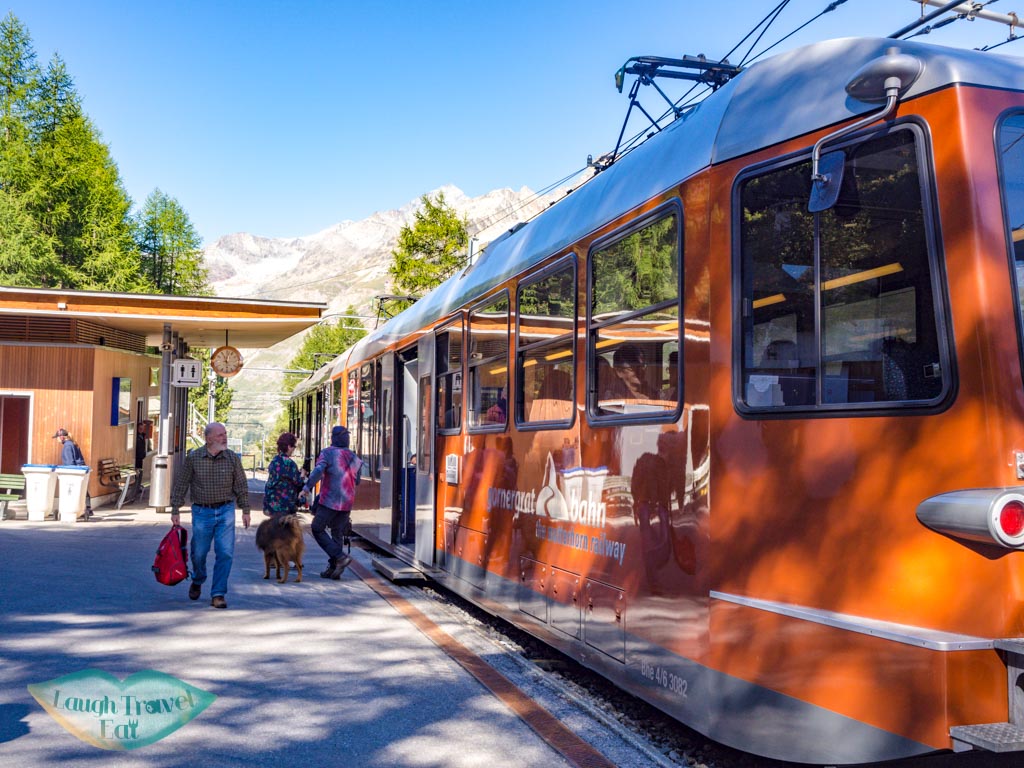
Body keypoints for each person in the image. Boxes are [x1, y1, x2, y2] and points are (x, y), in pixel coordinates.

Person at [170, 422, 251, 609]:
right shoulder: (194, 458)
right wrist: (175, 509)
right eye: (220, 435)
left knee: (225, 553)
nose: (225, 438)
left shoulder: (231, 458)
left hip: (225, 511)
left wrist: (245, 509)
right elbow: (182, 483)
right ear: (208, 439)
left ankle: (218, 593)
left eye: (225, 434)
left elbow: (241, 485)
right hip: (202, 512)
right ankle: (198, 579)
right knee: (199, 553)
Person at [300, 425, 363, 580]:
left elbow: (318, 471)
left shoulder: (327, 453)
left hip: (330, 500)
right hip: (347, 501)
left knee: (317, 528)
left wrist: (307, 487)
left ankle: (339, 557)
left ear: (333, 438)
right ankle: (334, 569)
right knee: (337, 533)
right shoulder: (355, 458)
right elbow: (358, 481)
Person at [263, 432, 306, 517]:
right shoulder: (290, 463)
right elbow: (298, 482)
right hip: (284, 505)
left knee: (275, 527)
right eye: (294, 446)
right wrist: (303, 474)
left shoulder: (274, 460)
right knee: (286, 529)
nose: (294, 449)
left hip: (271, 503)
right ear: (289, 446)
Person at [53, 428, 91, 519]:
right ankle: (87, 509)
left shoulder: (67, 446)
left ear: (62, 437)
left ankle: (77, 509)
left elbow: (69, 463)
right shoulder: (72, 443)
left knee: (74, 491)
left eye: (57, 438)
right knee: (82, 490)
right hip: (81, 469)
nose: (57, 440)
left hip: (74, 471)